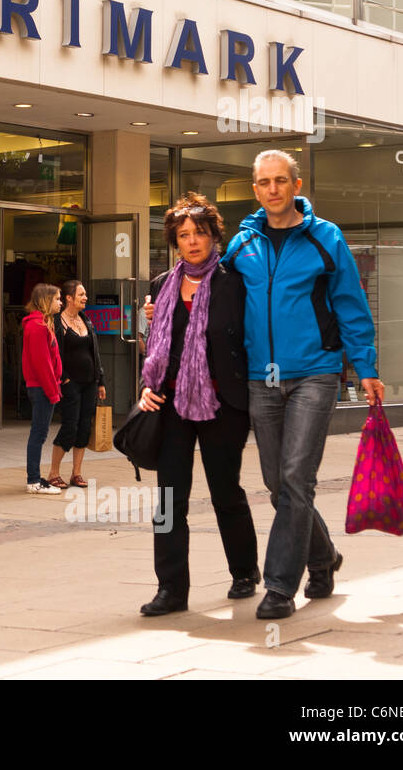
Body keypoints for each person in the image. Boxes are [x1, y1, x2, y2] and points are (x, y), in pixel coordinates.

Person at [225, 149, 385, 620]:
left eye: (280, 180)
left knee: (297, 477)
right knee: (278, 484)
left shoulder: (325, 237)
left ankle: (279, 586)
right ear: (255, 189)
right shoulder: (243, 243)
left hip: (315, 372)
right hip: (262, 377)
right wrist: (161, 304)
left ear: (296, 185)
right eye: (263, 182)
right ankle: (323, 557)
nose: (272, 189)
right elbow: (213, 293)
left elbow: (350, 304)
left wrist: (366, 366)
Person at [136, 193, 259, 615]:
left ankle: (244, 571)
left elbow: (249, 340)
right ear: (175, 240)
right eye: (184, 234)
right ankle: (171, 590)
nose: (192, 241)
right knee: (170, 499)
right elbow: (156, 347)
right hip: (171, 403)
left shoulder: (233, 282)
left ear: (213, 236)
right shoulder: (161, 286)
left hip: (222, 403)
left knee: (225, 491)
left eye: (200, 233)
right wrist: (146, 385)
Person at [49, 279, 105, 489]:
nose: (85, 298)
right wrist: (63, 377)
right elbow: (53, 353)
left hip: (90, 382)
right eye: (81, 295)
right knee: (69, 426)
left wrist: (100, 381)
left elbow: (95, 353)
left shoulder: (86, 320)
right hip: (69, 383)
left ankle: (76, 473)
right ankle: (54, 473)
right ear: (69, 298)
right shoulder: (57, 322)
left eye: (85, 294)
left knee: (84, 427)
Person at [21, 283, 63, 495]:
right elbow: (42, 363)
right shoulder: (38, 326)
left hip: (43, 386)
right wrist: (53, 391)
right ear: (46, 300)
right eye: (57, 299)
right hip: (41, 387)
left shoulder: (42, 323)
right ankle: (34, 481)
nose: (60, 303)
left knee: (39, 433)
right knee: (38, 434)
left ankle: (35, 479)